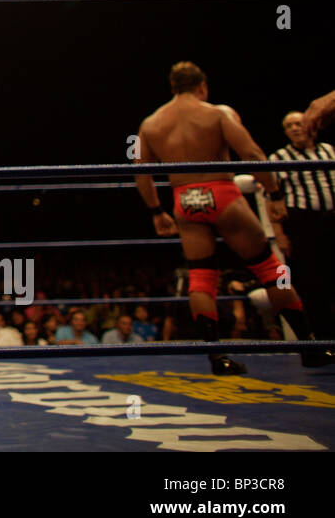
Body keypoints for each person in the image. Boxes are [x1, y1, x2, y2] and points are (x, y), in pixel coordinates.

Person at [134, 62, 334, 373]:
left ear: (173, 88)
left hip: (184, 199)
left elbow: (141, 173)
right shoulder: (217, 112)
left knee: (200, 277)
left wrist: (155, 211)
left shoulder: (150, 124)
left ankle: (217, 358)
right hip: (222, 192)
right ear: (202, 87)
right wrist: (275, 194)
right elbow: (252, 154)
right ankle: (308, 346)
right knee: (270, 267)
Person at [267, 110, 335, 338]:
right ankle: (325, 337)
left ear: (310, 126)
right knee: (311, 281)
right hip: (303, 223)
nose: (295, 128)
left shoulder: (329, 150)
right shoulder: (279, 158)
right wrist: (280, 234)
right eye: (289, 126)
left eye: (298, 123)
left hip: (332, 219)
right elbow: (271, 200)